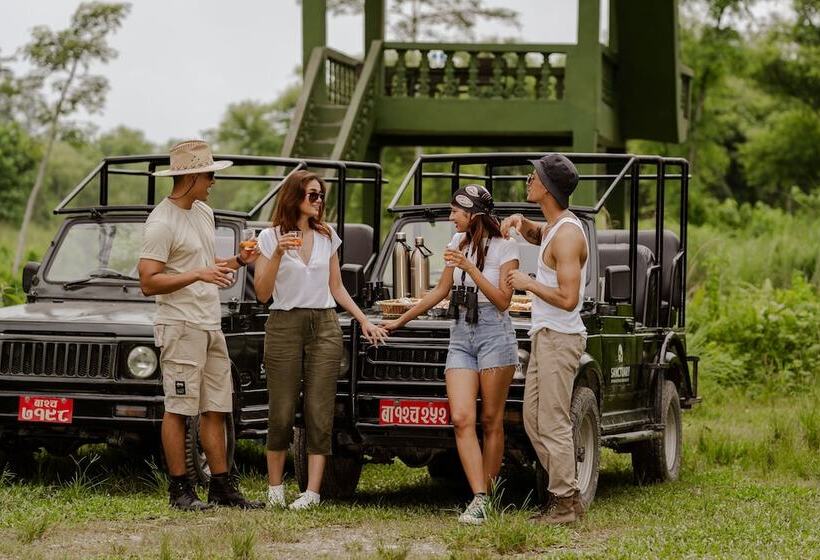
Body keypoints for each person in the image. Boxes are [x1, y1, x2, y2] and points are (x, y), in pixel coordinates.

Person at [139, 140, 263, 510]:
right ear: (191, 176)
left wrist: (238, 260)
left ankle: (222, 487)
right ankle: (180, 491)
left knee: (216, 407)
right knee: (179, 408)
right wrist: (197, 274)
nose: (213, 182)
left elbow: (206, 267)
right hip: (180, 325)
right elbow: (148, 281)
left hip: (209, 322)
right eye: (209, 175)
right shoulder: (161, 223)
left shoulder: (203, 212)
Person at [384, 184, 519, 525]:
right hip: (460, 333)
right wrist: (400, 320)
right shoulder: (456, 242)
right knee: (461, 417)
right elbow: (441, 291)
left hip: (494, 333)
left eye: (455, 211)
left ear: (473, 214)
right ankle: (479, 496)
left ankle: (487, 497)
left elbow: (503, 301)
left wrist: (470, 269)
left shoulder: (505, 247)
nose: (450, 217)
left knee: (491, 420)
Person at [254, 170, 388, 510]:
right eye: (312, 195)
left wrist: (363, 320)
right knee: (282, 410)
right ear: (294, 197)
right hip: (284, 323)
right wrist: (278, 253)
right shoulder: (269, 237)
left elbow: (337, 287)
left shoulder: (328, 236)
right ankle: (275, 489)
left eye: (320, 196)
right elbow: (263, 293)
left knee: (320, 409)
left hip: (325, 324)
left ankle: (312, 492)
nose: (318, 201)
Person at [502, 153, 588, 524]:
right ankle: (566, 495)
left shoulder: (568, 235)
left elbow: (569, 299)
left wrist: (529, 283)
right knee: (534, 420)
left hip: (560, 337)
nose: (528, 179)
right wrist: (522, 224)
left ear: (548, 187)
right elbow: (541, 236)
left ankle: (565, 504)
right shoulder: (554, 227)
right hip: (545, 335)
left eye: (534, 175)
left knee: (552, 422)